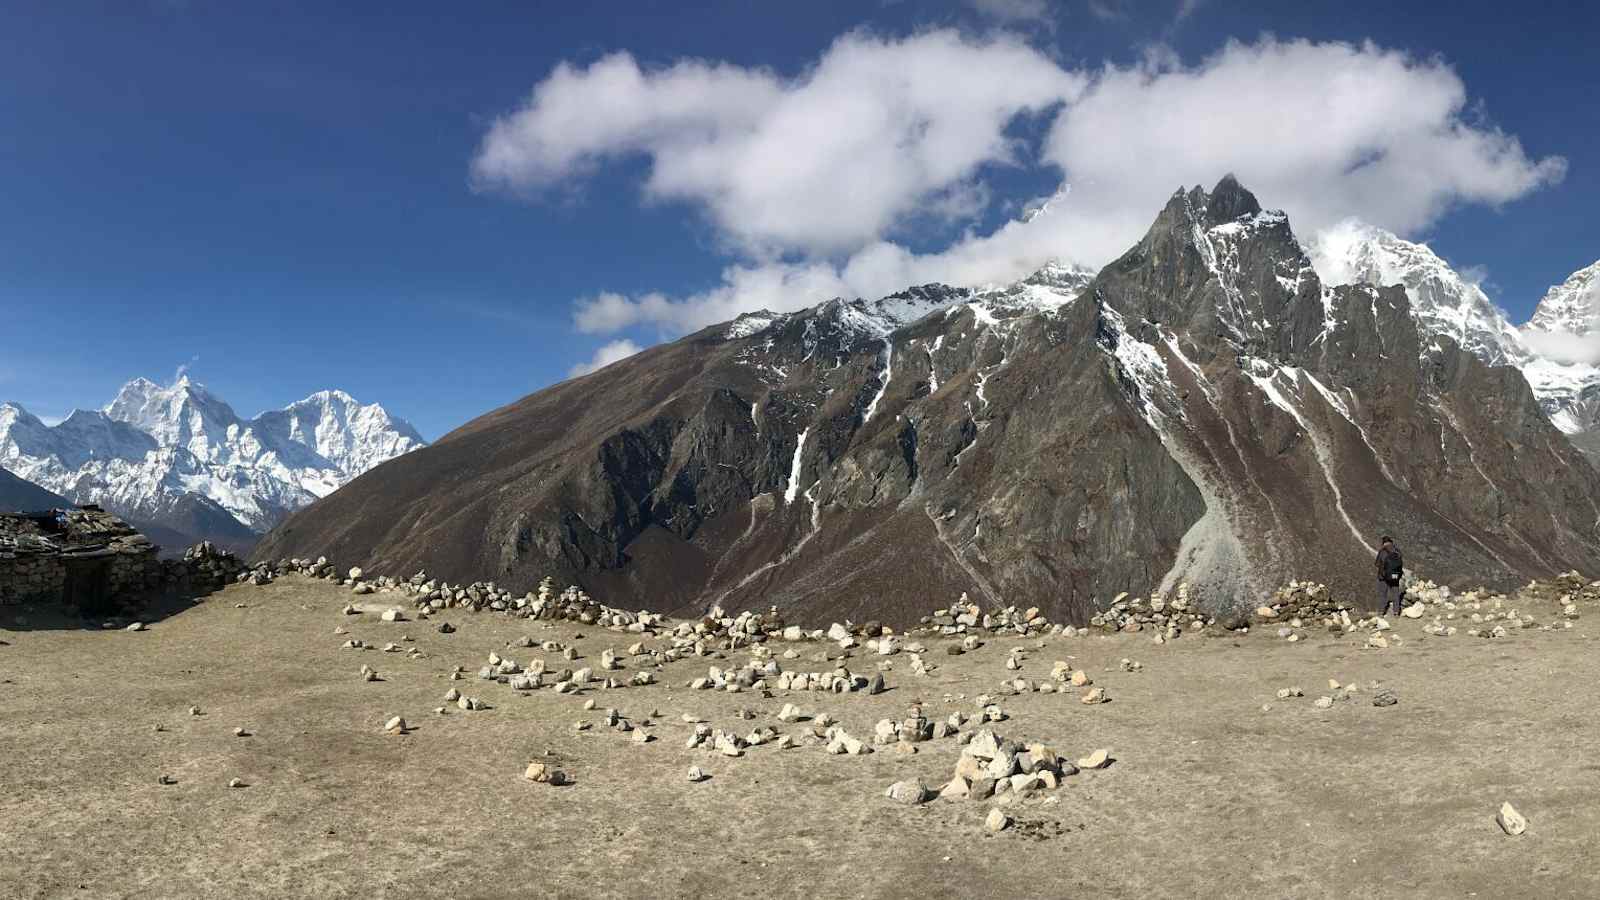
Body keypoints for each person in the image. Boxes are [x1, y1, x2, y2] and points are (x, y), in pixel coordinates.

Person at [1375, 535, 1404, 616]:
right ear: (1391, 542)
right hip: (1395, 576)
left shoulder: (1382, 551)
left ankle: (1381, 612)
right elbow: (1400, 564)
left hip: (1383, 577)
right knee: (1395, 594)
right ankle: (1396, 612)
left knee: (1382, 594)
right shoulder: (1397, 551)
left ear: (1383, 543)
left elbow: (1377, 564)